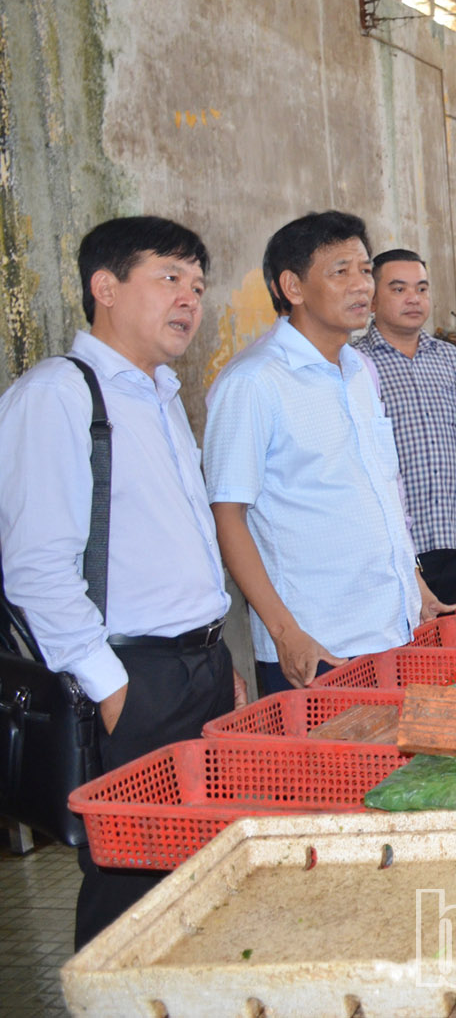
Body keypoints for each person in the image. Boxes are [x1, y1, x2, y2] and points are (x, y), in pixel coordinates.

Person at [0, 217, 237, 947]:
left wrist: (215, 659)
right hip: (130, 677)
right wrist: (110, 687)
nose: (190, 300)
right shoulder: (58, 394)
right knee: (128, 886)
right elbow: (35, 566)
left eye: (197, 286)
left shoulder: (161, 395)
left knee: (200, 872)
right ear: (105, 287)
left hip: (198, 666)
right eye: (169, 277)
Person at [205, 212, 453, 694]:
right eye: (341, 272)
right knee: (335, 770)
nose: (362, 286)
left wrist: (415, 587)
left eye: (365, 270)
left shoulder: (358, 370)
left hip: (393, 626)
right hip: (319, 644)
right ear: (292, 287)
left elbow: (380, 491)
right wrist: (284, 631)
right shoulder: (254, 381)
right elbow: (228, 515)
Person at [354, 248, 456, 606]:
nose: (413, 298)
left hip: (454, 534)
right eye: (398, 289)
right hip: (393, 549)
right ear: (372, 300)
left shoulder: (451, 359)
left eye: (422, 289)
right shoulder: (355, 366)